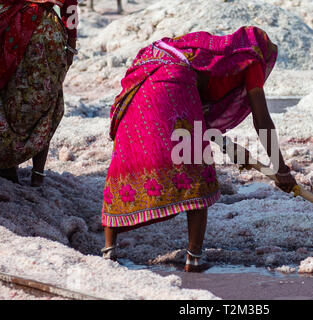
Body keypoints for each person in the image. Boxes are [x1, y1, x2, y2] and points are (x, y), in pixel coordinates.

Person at [101, 26, 297, 271]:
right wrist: (280, 168)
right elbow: (262, 120)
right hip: (174, 86)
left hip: (143, 81)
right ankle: (193, 259)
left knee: (127, 161)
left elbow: (202, 97)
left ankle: (109, 250)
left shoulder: (207, 49)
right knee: (196, 167)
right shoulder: (251, 61)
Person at [0, 0, 78, 186]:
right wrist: (71, 44)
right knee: (47, 101)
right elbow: (70, 7)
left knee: (9, 98)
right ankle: (37, 174)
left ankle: (8, 168)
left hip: (13, 29)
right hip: (48, 34)